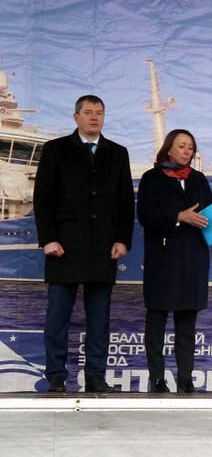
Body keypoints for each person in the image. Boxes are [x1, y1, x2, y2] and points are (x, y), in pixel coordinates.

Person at [34, 94, 134, 393]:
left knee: (99, 320)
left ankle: (95, 377)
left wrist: (122, 239)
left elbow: (125, 203)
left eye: (99, 113)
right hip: (63, 248)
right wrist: (48, 238)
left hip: (104, 249)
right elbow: (43, 199)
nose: (94, 117)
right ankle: (55, 376)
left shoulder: (118, 153)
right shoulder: (55, 150)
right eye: (88, 112)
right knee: (57, 318)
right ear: (76, 117)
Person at [137, 129, 212, 393]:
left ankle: (185, 378)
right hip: (163, 260)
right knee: (157, 321)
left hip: (193, 258)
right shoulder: (151, 178)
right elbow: (146, 216)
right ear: (169, 148)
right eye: (182, 146)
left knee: (187, 325)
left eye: (191, 148)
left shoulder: (198, 178)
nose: (187, 151)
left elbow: (209, 214)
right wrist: (179, 216)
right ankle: (158, 379)